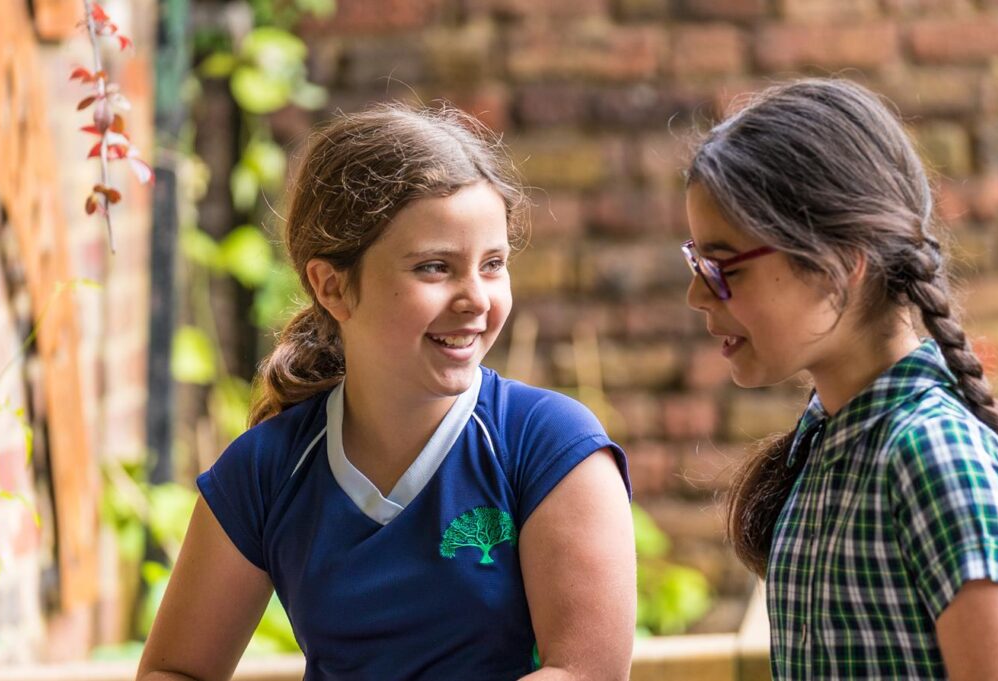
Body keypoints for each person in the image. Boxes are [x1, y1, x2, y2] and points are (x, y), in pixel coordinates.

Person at [138, 104, 635, 681]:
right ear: (333, 287)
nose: (476, 298)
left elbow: (587, 673)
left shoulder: (549, 446)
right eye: (434, 267)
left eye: (493, 264)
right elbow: (174, 670)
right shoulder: (266, 472)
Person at [680, 79, 998, 680]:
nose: (697, 295)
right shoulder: (826, 442)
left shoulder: (937, 455)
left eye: (722, 268)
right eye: (696, 262)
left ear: (841, 261)